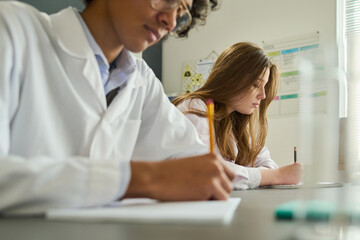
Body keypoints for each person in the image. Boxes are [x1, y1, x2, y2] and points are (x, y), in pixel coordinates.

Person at [0, 0, 235, 215]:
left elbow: (190, 159)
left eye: (181, 13)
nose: (171, 21)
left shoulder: (141, 80)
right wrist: (143, 179)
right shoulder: (11, 28)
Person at [173, 42, 302, 190]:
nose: (263, 95)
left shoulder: (234, 121)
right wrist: (277, 176)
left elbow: (266, 163)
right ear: (231, 79)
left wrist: (270, 175)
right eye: (255, 85)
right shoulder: (194, 107)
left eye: (264, 87)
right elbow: (202, 169)